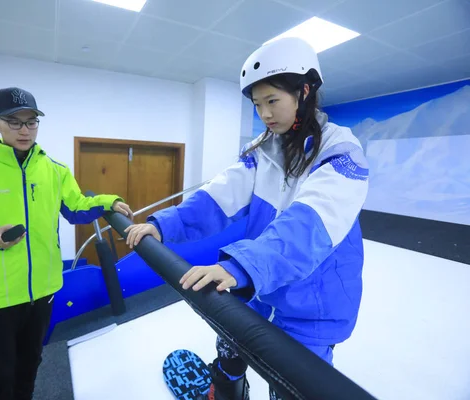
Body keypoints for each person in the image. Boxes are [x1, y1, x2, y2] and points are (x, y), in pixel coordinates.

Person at [125, 37, 369, 400]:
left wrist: (242, 267)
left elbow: (310, 225)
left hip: (311, 301)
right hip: (261, 285)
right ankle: (225, 391)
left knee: (292, 385)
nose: (265, 114)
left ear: (304, 91)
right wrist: (163, 224)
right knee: (229, 344)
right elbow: (218, 195)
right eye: (257, 105)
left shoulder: (341, 151)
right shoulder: (263, 150)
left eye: (273, 101)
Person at [0, 87, 133, 400]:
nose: (24, 130)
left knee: (29, 371)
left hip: (42, 293)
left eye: (31, 122)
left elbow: (77, 207)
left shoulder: (54, 171)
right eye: (14, 122)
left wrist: (109, 202)